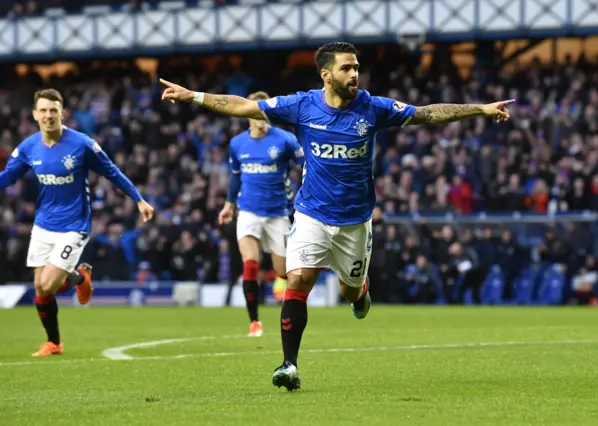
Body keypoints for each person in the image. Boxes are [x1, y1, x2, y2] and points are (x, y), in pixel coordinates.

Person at [160, 41, 514, 391]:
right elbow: (242, 107)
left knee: (348, 290)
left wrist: (480, 109)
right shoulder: (301, 106)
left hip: (355, 222)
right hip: (311, 213)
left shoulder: (373, 108)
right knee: (297, 280)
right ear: (326, 74)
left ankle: (361, 292)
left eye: (356, 67)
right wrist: (193, 95)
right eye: (347, 68)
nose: (354, 74)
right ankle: (289, 365)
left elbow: (426, 113)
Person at [0, 89, 154, 357]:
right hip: (44, 224)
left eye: (53, 110)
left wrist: (139, 199)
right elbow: (10, 175)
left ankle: (80, 279)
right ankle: (55, 340)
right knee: (41, 288)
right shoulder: (28, 147)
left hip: (74, 225)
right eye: (43, 111)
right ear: (34, 115)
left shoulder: (81, 144)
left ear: (62, 113)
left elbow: (112, 171)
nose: (48, 115)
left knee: (50, 285)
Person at [218, 91, 304, 337]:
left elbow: (305, 164)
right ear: (248, 115)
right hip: (249, 212)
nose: (263, 120)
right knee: (250, 262)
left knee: (282, 271)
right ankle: (254, 321)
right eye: (258, 115)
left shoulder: (285, 140)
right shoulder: (237, 144)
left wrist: (298, 190)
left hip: (278, 213)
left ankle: (280, 283)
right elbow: (235, 178)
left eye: (266, 115)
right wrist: (228, 205)